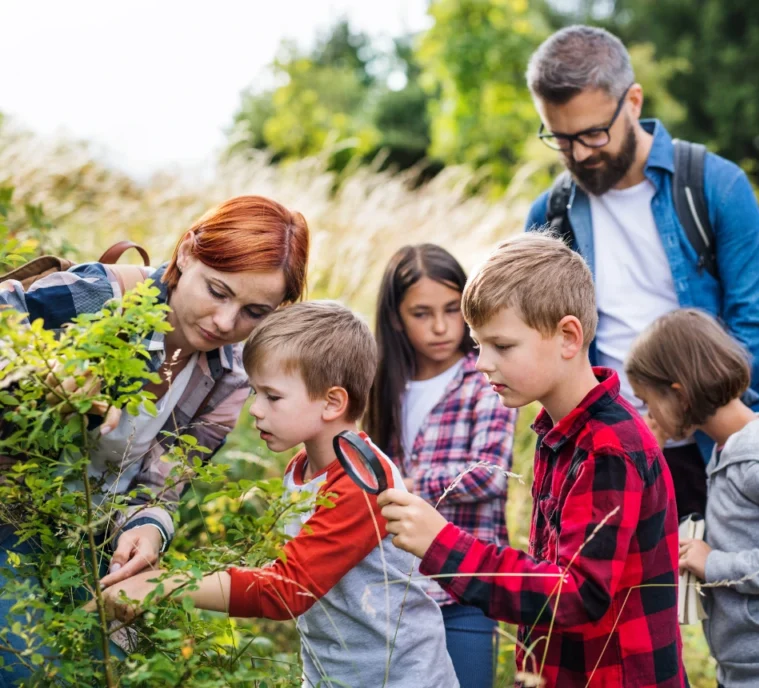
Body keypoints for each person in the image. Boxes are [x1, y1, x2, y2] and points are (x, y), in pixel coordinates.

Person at [0, 195, 309, 683]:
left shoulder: (228, 375)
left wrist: (149, 528)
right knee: (24, 668)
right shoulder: (105, 297)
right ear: (187, 253)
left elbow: (162, 485)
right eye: (217, 290)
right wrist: (39, 369)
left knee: (94, 669)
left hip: (89, 542)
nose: (226, 323)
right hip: (12, 516)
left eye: (254, 310)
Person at [378, 233, 685, 687]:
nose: (482, 363)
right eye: (479, 344)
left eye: (502, 346)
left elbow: (576, 593)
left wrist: (442, 545)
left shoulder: (609, 447)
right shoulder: (558, 433)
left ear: (567, 336)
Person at [99, 301, 459, 688]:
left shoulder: (362, 479)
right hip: (332, 674)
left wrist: (165, 584)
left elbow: (289, 590)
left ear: (332, 402)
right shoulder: (302, 468)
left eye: (272, 396)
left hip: (400, 678)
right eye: (255, 392)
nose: (255, 409)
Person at [524, 25, 759, 519]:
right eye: (561, 140)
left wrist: (672, 415)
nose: (579, 154)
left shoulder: (715, 186)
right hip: (607, 455)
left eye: (592, 134)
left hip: (722, 451)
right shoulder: (549, 215)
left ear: (632, 100)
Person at [626, 308, 759, 688]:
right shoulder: (728, 452)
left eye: (648, 401)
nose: (649, 414)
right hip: (747, 672)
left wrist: (717, 564)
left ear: (679, 394)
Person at [365, 244, 516, 688]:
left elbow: (491, 473)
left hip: (464, 586)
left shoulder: (486, 377)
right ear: (395, 318)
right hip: (399, 589)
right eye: (422, 313)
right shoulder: (383, 384)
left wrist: (410, 485)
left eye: (453, 310)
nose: (441, 327)